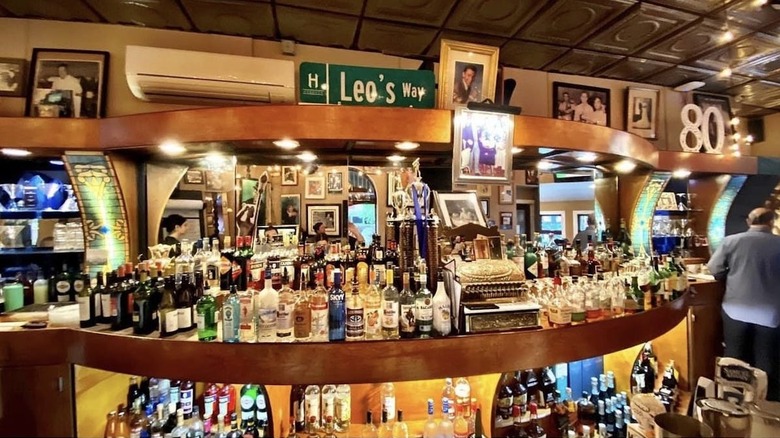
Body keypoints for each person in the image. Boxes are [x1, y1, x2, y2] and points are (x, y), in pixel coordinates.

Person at [707, 207, 780, 401]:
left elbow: (714, 269)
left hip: (736, 310)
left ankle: (733, 401)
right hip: (770, 314)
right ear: (771, 222)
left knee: (734, 357)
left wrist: (731, 274)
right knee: (766, 360)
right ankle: (764, 404)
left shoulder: (731, 241)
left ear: (749, 221)